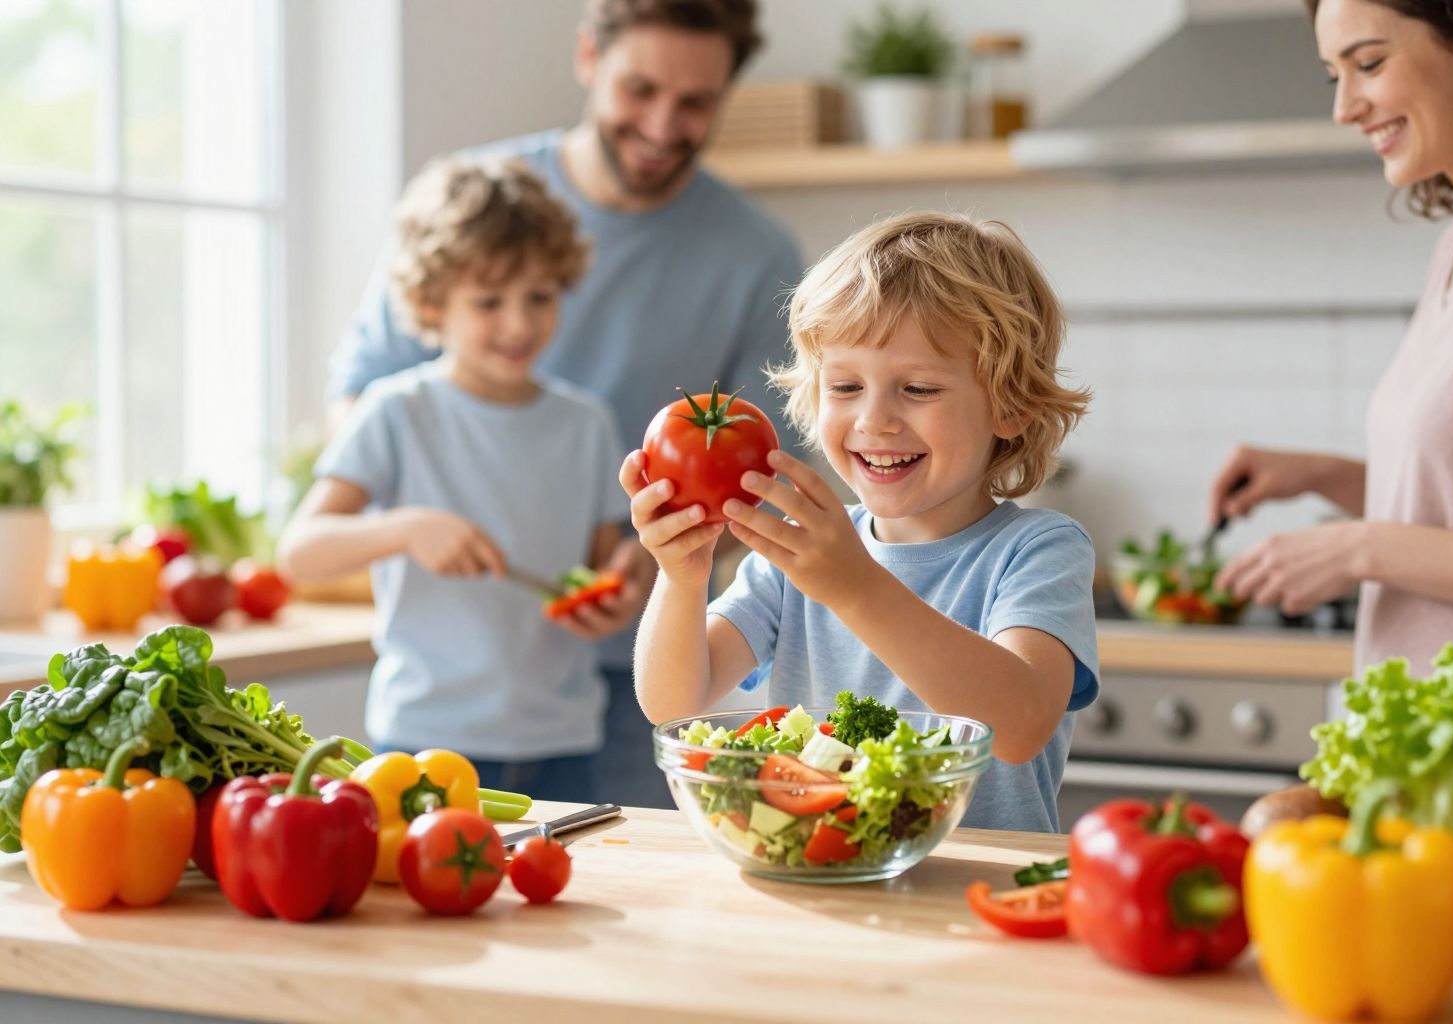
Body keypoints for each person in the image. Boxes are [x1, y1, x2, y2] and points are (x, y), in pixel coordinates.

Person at [327, 0, 801, 808]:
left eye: (695, 103)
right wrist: (436, 517)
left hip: (633, 666)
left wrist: (648, 557)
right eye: (639, 88)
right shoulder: (482, 204)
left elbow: (759, 483)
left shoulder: (759, 257)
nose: (661, 124)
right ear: (589, 57)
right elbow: (360, 404)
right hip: (458, 670)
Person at [623, 212, 1100, 833]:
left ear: (1010, 405)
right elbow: (674, 705)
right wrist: (680, 579)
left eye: (920, 389)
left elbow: (1017, 727)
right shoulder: (795, 556)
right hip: (823, 873)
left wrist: (854, 585)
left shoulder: (1038, 549)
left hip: (977, 891)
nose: (875, 421)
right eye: (845, 386)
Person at [279, 157, 632, 801]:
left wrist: (625, 583)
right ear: (429, 303)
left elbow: (605, 563)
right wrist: (406, 527)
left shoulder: (587, 424)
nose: (519, 324)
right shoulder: (397, 411)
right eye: (489, 301)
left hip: (565, 740)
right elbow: (300, 551)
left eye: (540, 296)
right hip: (424, 740)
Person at [1208, 0, 1453, 676]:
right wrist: (1329, 477)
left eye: (1369, 63)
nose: (1346, 107)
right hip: (1435, 740)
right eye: (1336, 76)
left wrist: (1362, 550)